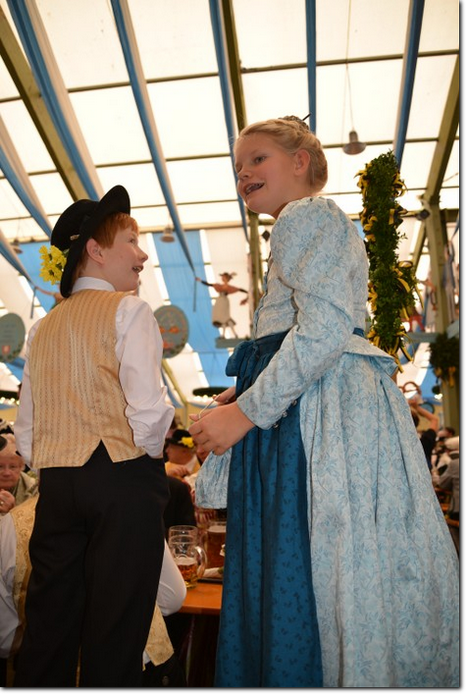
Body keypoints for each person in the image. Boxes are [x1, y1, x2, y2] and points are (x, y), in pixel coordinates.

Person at [189, 116, 459, 687]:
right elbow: (301, 333)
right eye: (238, 167)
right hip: (306, 404)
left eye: (257, 158)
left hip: (315, 417)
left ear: (300, 161)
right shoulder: (305, 224)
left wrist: (244, 413)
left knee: (309, 557)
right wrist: (242, 391)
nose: (244, 173)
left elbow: (325, 329)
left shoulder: (306, 215)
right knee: (329, 564)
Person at [13, 185, 175, 687]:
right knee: (116, 631)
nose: (142, 254)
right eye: (131, 241)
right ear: (96, 250)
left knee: (49, 625)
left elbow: (26, 432)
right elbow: (149, 412)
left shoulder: (42, 328)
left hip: (58, 486)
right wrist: (145, 459)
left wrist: (62, 458)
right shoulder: (130, 311)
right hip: (123, 480)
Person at [0, 497, 187, 688]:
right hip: (139, 664)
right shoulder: (134, 504)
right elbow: (172, 597)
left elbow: (5, 639)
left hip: (51, 669)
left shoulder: (11, 525)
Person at [195, 272, 248, 338]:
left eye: (223, 277)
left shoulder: (228, 287)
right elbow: (209, 284)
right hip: (220, 302)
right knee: (222, 319)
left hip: (223, 302)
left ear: (226, 278)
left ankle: (232, 334)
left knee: (225, 318)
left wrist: (248, 292)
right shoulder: (219, 286)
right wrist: (200, 280)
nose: (222, 278)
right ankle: (227, 335)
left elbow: (239, 289)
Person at [0, 434, 38, 516]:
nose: (6, 473)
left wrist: (13, 512)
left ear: (21, 467)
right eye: (0, 467)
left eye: (13, 467)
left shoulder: (34, 489)